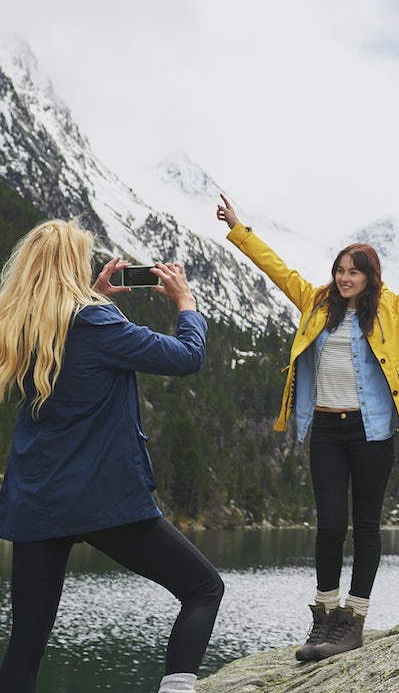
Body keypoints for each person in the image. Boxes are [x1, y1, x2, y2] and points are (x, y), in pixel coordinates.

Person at [214, 194, 399, 662]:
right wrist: (239, 228)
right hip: (326, 430)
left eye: (353, 271)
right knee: (330, 524)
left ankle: (353, 622)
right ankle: (325, 616)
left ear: (369, 276)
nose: (343, 278)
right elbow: (276, 268)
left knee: (367, 527)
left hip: (372, 431)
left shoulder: (391, 307)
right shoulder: (316, 302)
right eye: (340, 270)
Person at [0, 220, 222, 693]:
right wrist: (187, 304)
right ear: (70, 266)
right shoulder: (95, 322)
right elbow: (186, 357)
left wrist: (96, 297)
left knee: (26, 645)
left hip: (36, 502)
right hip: (101, 500)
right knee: (203, 589)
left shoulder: (19, 327)